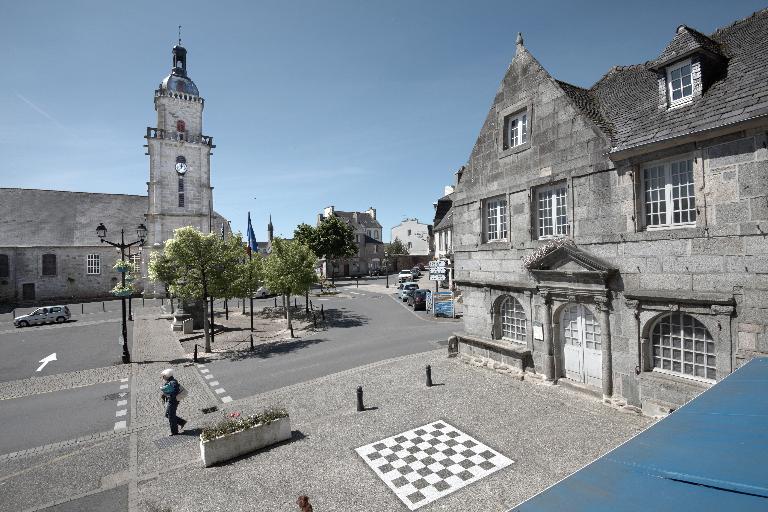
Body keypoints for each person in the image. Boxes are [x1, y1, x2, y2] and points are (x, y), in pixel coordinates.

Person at [160, 368, 187, 435]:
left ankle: (174, 432)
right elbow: (168, 389)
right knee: (167, 415)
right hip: (172, 400)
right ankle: (181, 422)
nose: (163, 377)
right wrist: (164, 395)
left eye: (163, 376)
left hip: (173, 401)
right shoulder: (170, 381)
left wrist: (169, 396)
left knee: (171, 416)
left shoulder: (173, 382)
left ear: (167, 376)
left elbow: (175, 391)